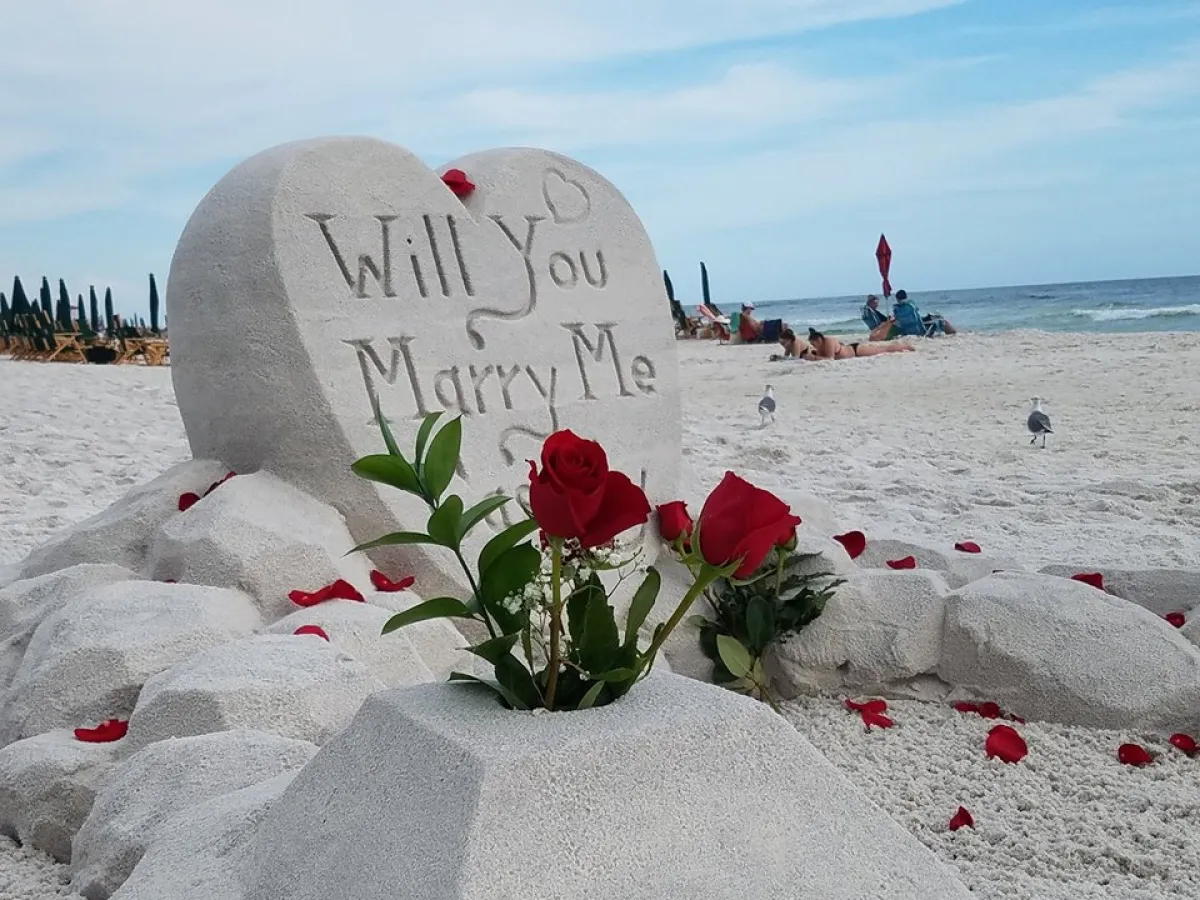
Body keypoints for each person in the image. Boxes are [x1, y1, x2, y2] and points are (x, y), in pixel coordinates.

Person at [769, 327, 914, 361]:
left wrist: (814, 358)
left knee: (883, 349)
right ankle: (902, 346)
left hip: (856, 351)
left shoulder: (829, 341)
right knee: (882, 349)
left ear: (819, 339)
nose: (815, 346)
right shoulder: (819, 346)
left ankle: (904, 346)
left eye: (815, 343)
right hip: (851, 352)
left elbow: (830, 360)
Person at [891, 290, 957, 336]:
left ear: (897, 299)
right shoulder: (910, 305)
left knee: (930, 317)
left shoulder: (896, 309)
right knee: (941, 320)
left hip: (907, 331)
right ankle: (953, 333)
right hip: (920, 331)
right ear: (906, 296)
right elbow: (916, 315)